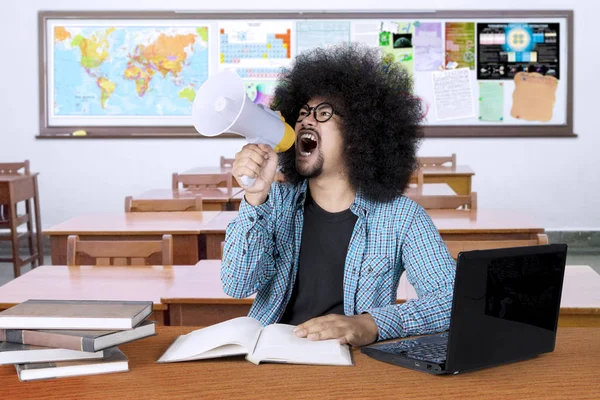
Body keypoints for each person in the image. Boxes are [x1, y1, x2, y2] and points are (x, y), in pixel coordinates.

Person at [222, 44, 455, 347]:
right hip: (271, 357)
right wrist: (255, 197)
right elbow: (236, 284)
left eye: (323, 113)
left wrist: (370, 323)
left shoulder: (401, 217)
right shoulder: (273, 202)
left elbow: (451, 300)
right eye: (303, 113)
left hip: (354, 364)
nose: (306, 120)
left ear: (360, 133)